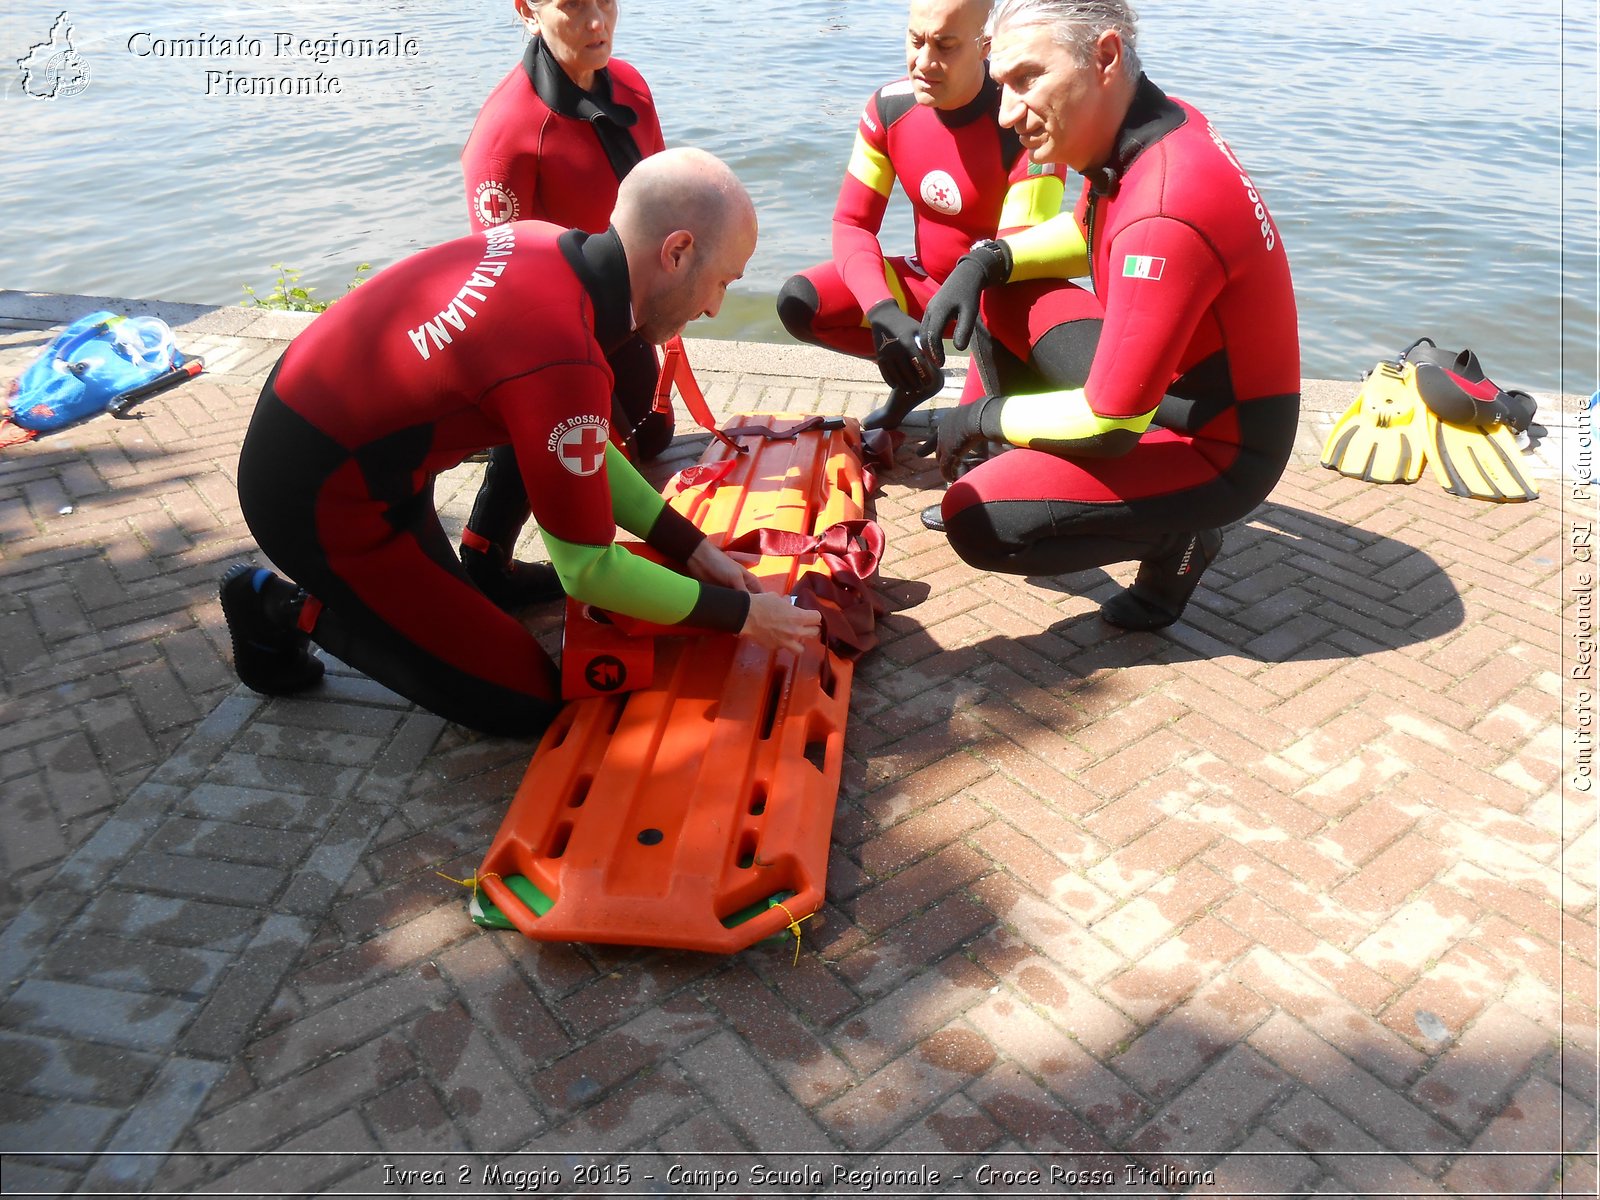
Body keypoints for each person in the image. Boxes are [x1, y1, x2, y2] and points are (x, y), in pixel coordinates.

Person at [222, 149, 822, 739]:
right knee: (523, 701)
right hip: (318, 499)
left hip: (356, 451)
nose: (716, 306)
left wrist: (692, 548)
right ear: (677, 251)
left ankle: (485, 564)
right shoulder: (561, 353)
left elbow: (575, 439)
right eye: (722, 281)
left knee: (525, 414)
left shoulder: (549, 245)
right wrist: (745, 616)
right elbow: (589, 570)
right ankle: (276, 605)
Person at [919, 0, 1301, 630]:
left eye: (1026, 80)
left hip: (1219, 444)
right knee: (1008, 288)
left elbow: (1109, 424)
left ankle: (1176, 541)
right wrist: (985, 260)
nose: (1007, 112)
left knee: (978, 517)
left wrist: (983, 415)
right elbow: (1086, 230)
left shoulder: (1167, 201)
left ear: (1105, 57)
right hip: (1169, 387)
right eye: (1000, 87)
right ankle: (1061, 476)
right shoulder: (1146, 128)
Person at [459, 0, 672, 611]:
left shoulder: (629, 84)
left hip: (618, 319)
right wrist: (562, 396)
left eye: (606, 0)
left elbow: (662, 199)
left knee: (653, 436)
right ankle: (483, 553)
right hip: (549, 341)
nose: (597, 22)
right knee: (576, 443)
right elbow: (503, 295)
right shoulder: (508, 135)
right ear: (527, 9)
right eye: (573, 5)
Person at [775, 0, 1075, 431]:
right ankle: (919, 377)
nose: (925, 62)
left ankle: (1006, 390)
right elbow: (851, 223)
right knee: (800, 302)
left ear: (984, 46)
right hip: (928, 283)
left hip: (1000, 303)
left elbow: (1013, 262)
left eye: (946, 46)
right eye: (916, 41)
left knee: (974, 440)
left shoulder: (1023, 127)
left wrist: (975, 414)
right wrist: (883, 312)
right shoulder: (889, 110)